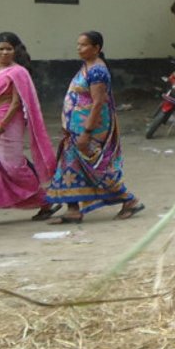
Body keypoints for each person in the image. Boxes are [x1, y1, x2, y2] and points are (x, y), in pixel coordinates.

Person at [46, 31, 144, 222]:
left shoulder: (97, 71)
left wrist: (87, 132)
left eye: (83, 45)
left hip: (90, 129)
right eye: (78, 44)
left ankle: (129, 199)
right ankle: (73, 209)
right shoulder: (86, 67)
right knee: (69, 164)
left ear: (96, 48)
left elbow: (98, 102)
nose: (79, 48)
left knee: (95, 167)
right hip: (75, 129)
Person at [0, 32, 57, 224]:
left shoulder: (18, 72)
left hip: (8, 125)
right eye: (0, 49)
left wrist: (0, 128)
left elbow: (15, 104)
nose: (4, 52)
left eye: (8, 48)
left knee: (13, 168)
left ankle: (44, 201)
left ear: (15, 51)